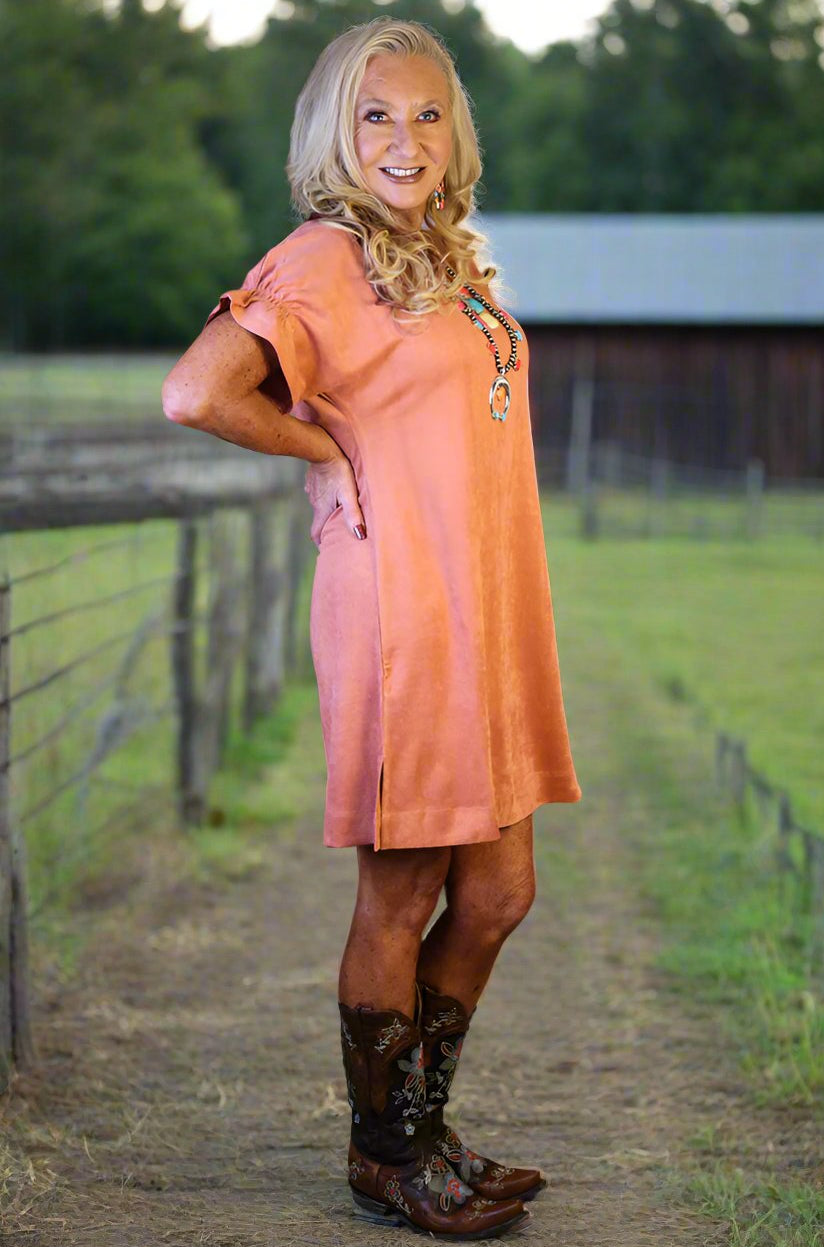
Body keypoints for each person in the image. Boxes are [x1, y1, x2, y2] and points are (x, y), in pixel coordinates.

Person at [162, 15, 582, 1240]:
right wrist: (326, 449)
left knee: (499, 890)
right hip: (402, 609)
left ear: (456, 134)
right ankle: (385, 1151)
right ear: (333, 135)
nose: (404, 138)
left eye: (426, 114)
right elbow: (197, 389)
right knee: (401, 893)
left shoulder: (446, 259)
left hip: (487, 606)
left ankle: (421, 1123)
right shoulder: (322, 257)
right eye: (375, 116)